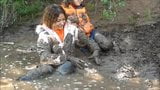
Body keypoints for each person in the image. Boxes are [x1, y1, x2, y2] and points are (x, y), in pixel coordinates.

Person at [17, 4, 90, 81]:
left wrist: (96, 50)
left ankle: (57, 79)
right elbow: (44, 57)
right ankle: (21, 81)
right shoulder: (44, 35)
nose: (62, 23)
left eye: (63, 19)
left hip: (68, 62)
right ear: (50, 20)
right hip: (53, 62)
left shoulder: (71, 28)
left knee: (68, 66)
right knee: (46, 69)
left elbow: (87, 40)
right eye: (58, 20)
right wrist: (68, 58)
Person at [61, 0, 114, 65]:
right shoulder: (63, 10)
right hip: (79, 37)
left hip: (90, 32)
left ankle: (111, 45)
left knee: (106, 44)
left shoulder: (81, 7)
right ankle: (93, 50)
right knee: (88, 49)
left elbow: (86, 21)